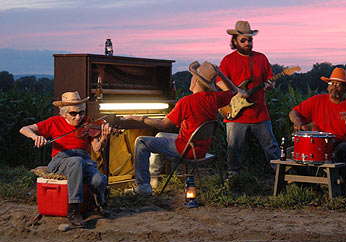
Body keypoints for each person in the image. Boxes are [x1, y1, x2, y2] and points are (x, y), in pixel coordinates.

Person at [126, 61, 241, 195]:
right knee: (160, 136)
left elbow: (161, 124)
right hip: (200, 149)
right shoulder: (215, 98)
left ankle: (142, 186)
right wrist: (220, 73)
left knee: (141, 141)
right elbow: (234, 90)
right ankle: (154, 179)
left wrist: (141, 118)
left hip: (186, 149)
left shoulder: (186, 102)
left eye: (193, 76)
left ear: (196, 81)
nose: (191, 79)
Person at [19, 91, 111, 227]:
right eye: (73, 113)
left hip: (84, 159)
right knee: (76, 162)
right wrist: (35, 137)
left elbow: (96, 148)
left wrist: (103, 138)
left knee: (98, 180)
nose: (78, 117)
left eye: (81, 112)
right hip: (61, 159)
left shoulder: (88, 123)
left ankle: (100, 201)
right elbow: (24, 129)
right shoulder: (54, 122)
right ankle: (73, 208)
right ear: (64, 113)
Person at [289, 67, 346, 194]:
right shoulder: (317, 100)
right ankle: (311, 189)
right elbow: (294, 112)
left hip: (340, 143)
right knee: (292, 152)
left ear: (345, 88)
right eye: (331, 84)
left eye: (338, 84)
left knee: (345, 149)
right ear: (327, 86)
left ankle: (341, 191)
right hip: (319, 143)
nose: (334, 87)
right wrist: (297, 121)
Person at [216, 20, 280, 177]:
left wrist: (271, 85)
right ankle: (234, 177)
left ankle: (281, 175)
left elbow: (271, 80)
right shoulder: (228, 60)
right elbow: (219, 82)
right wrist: (236, 92)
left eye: (250, 39)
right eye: (243, 40)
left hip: (259, 112)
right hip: (235, 113)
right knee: (233, 148)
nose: (247, 43)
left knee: (271, 146)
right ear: (234, 41)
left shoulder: (261, 58)